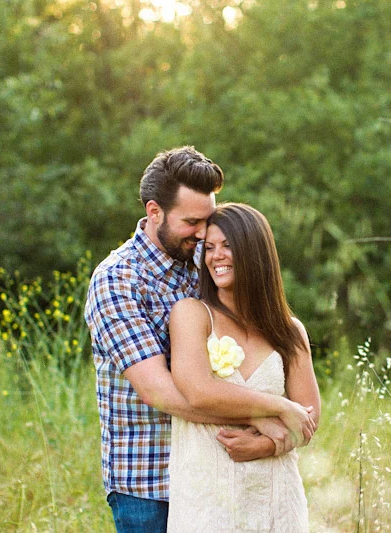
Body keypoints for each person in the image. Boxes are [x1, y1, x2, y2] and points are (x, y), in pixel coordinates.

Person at [84, 147, 315, 533]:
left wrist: (273, 440)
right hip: (150, 482)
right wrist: (268, 416)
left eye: (208, 221)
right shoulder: (117, 280)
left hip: (223, 472)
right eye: (192, 222)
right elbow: (163, 394)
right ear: (154, 212)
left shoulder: (207, 259)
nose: (203, 233)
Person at [167, 203, 321, 532]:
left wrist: (267, 445)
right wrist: (278, 406)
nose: (216, 256)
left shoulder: (289, 331)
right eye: (209, 248)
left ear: (254, 251)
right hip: (208, 498)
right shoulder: (192, 314)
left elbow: (310, 416)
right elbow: (198, 391)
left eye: (227, 246)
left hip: (277, 497)